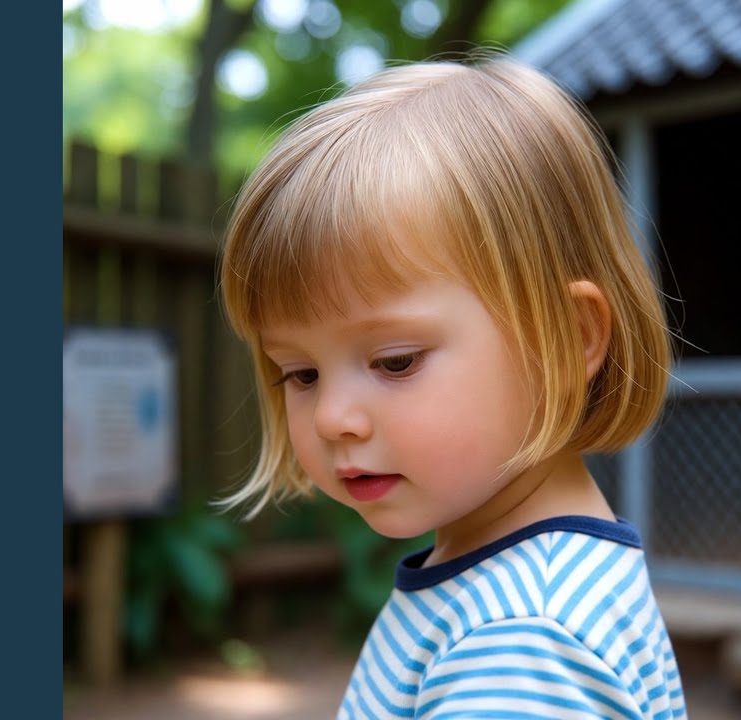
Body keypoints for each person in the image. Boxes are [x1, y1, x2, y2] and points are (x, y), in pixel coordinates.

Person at [219, 54, 687, 719]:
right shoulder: (506, 587)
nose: (331, 418)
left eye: (395, 362)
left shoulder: (520, 640)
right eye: (301, 373)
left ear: (568, 338)